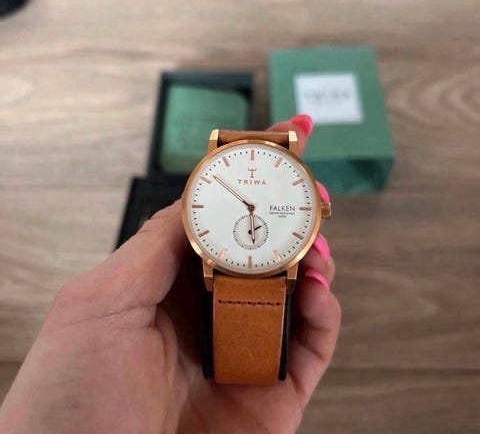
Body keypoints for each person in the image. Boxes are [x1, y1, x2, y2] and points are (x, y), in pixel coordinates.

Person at [0, 116, 341, 433]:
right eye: (247, 204)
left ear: (316, 210)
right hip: (227, 261)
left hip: (272, 262)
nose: (251, 207)